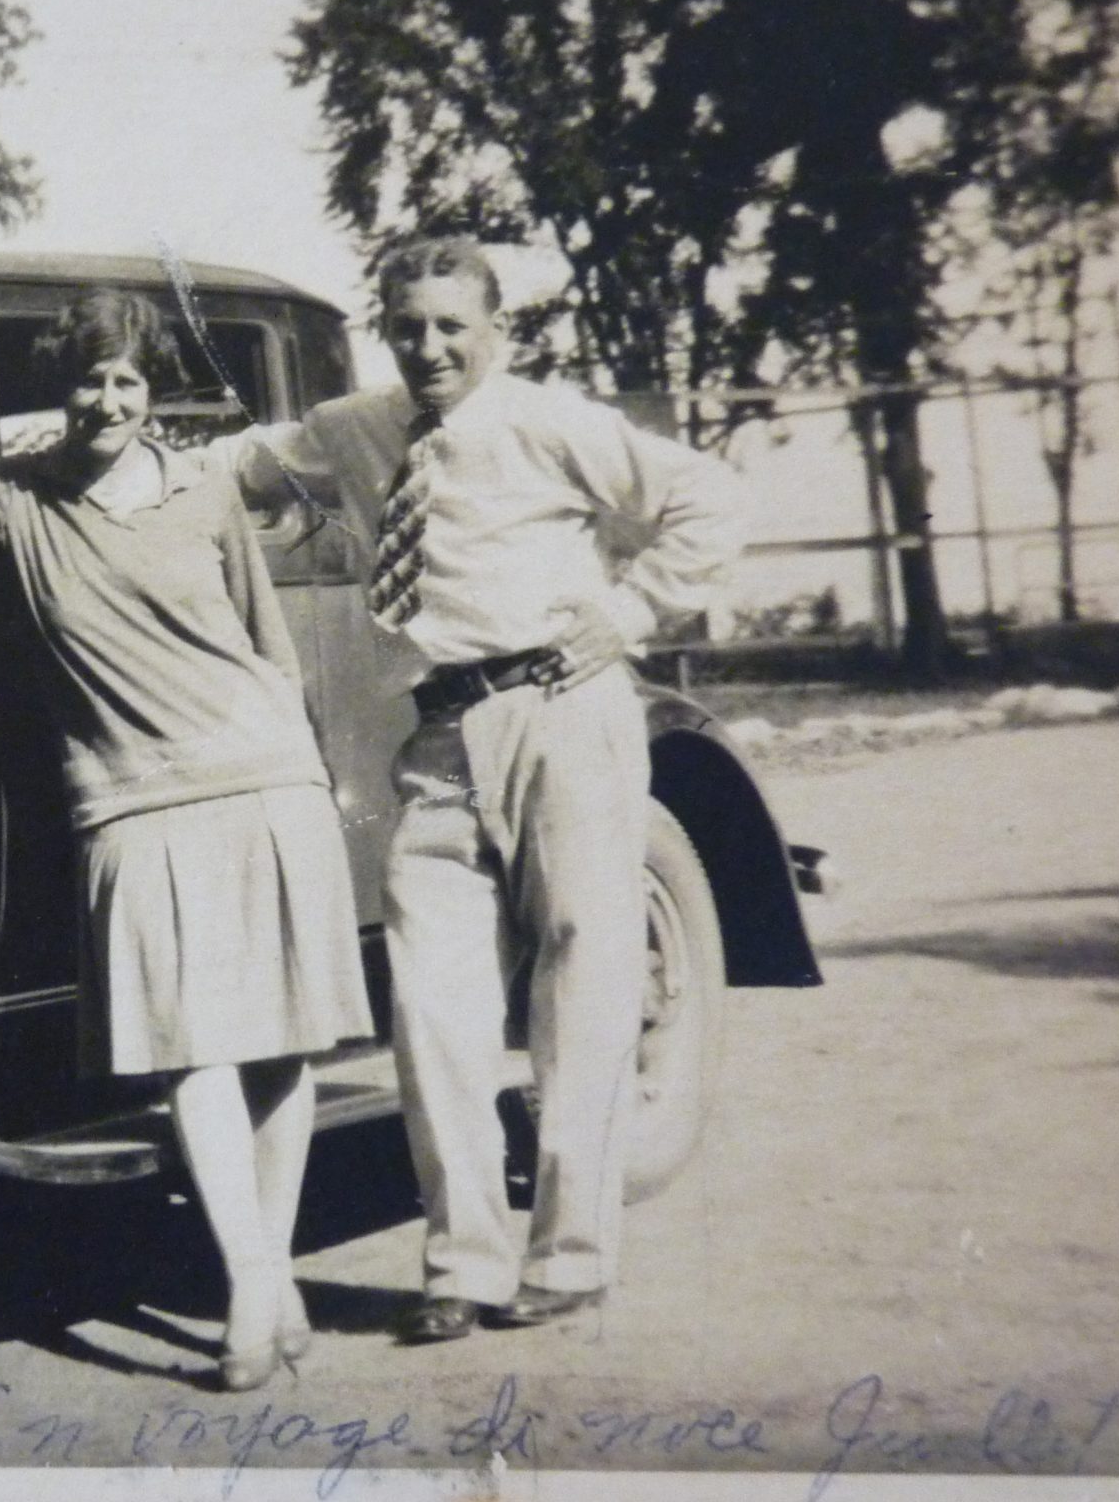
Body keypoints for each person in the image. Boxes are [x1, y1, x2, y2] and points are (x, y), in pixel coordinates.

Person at [0, 286, 373, 1392]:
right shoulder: (9, 498)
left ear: (153, 390)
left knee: (282, 1050)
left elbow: (265, 639)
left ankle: (262, 1279)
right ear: (59, 387)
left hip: (263, 778)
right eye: (87, 378)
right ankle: (251, 1286)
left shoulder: (203, 487)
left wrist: (314, 774)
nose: (108, 398)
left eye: (128, 378)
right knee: (193, 1055)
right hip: (132, 803)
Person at [225, 236, 743, 1344]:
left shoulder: (548, 420)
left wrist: (633, 610)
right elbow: (247, 462)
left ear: (493, 330)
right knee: (433, 1002)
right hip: (440, 734)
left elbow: (706, 496)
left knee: (583, 981)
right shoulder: (358, 428)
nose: (428, 347)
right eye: (407, 326)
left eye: (451, 326)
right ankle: (461, 1260)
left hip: (565, 714)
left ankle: (570, 1252)